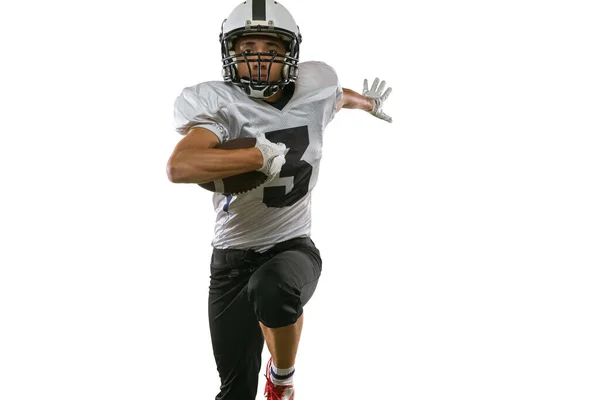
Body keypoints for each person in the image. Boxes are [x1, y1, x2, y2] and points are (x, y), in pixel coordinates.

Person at [167, 1, 392, 399]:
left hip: (292, 247)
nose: (257, 59)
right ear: (230, 54)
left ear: (290, 53)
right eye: (246, 47)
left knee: (272, 289)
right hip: (230, 261)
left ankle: (282, 379)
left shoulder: (317, 87)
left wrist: (369, 104)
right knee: (234, 390)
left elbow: (339, 98)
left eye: (269, 48)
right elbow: (179, 166)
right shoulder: (220, 104)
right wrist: (256, 156)